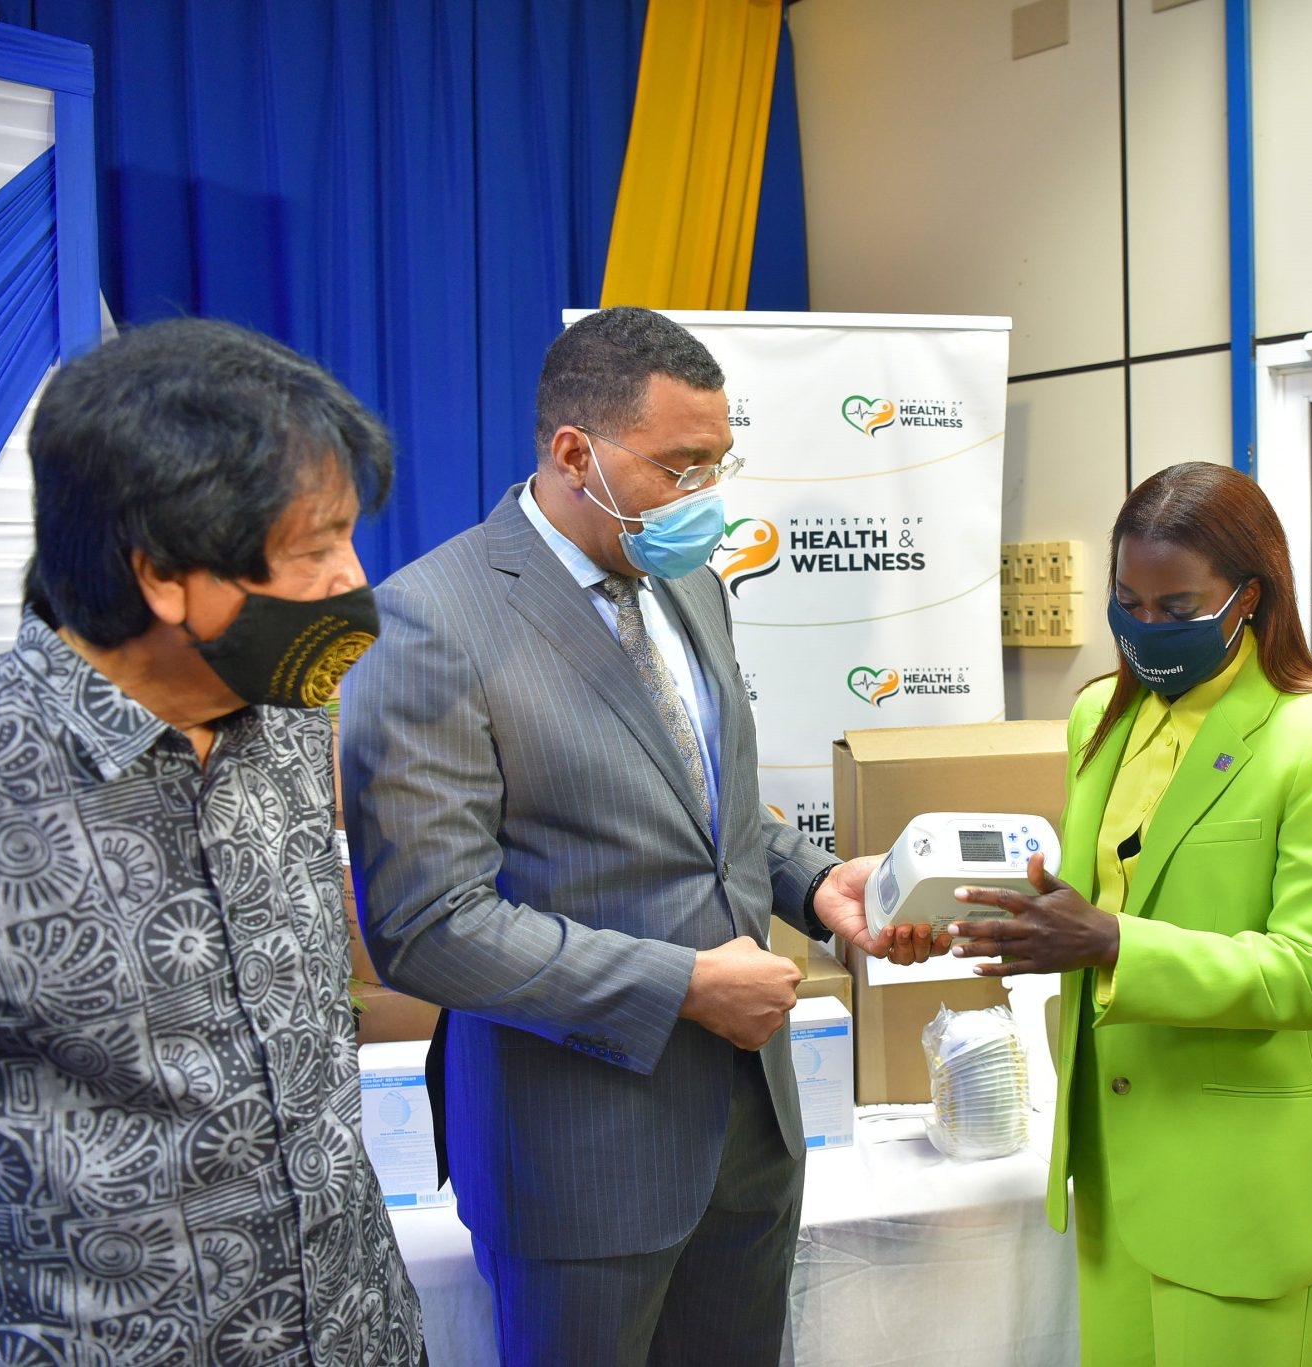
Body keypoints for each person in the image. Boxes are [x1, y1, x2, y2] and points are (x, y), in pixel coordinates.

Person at [340, 305, 932, 1367]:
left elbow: (706, 804)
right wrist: (682, 986)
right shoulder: (433, 620)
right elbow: (428, 927)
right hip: (578, 1159)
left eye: (718, 464)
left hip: (750, 1136)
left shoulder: (689, 582)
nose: (707, 498)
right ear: (575, 453)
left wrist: (814, 883)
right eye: (679, 467)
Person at [0, 318, 423, 1365]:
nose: (352, 578)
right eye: (316, 547)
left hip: (355, 1328)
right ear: (164, 573)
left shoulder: (293, 718)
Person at [949, 461, 1312, 1366]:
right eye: (1129, 603)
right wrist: (976, 917)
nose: (1148, 627)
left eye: (1178, 607)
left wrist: (1112, 942)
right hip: (1114, 1164)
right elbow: (1094, 897)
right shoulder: (1099, 717)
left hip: (1238, 1179)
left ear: (1248, 598)